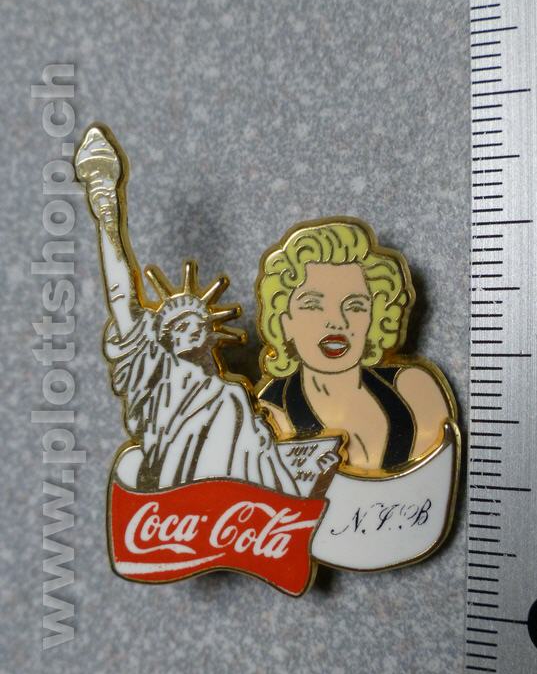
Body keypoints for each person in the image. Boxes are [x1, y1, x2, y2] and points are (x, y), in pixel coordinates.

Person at [75, 126, 299, 494]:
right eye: (178, 327)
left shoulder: (232, 397)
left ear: (212, 333)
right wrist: (107, 214)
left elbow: (261, 462)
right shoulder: (155, 377)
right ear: (163, 340)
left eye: (197, 324)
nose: (189, 330)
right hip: (172, 500)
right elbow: (120, 297)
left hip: (237, 510)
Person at [255, 219, 454, 474]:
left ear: (376, 317)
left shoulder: (414, 391)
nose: (337, 321)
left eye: (355, 305)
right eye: (313, 304)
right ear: (285, 321)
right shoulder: (269, 416)